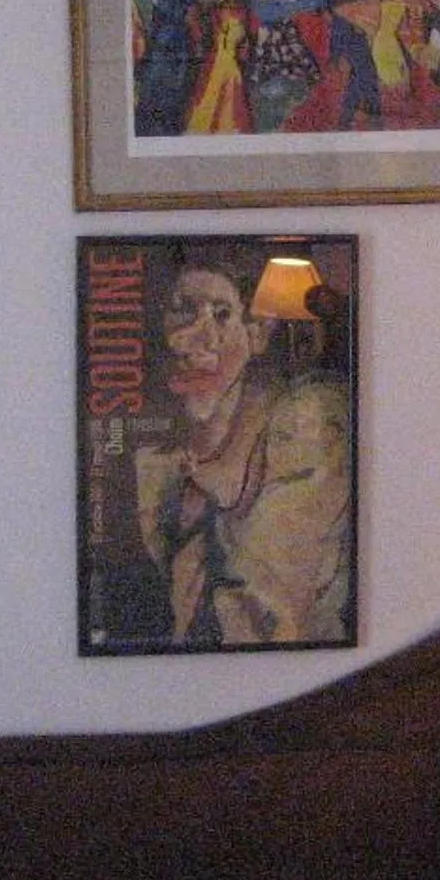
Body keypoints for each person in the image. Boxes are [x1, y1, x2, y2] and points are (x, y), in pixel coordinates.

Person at [132, 252, 352, 648]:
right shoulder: (155, 457)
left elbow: (271, 612)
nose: (197, 337)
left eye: (221, 315)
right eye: (181, 312)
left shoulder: (305, 425)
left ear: (257, 335)